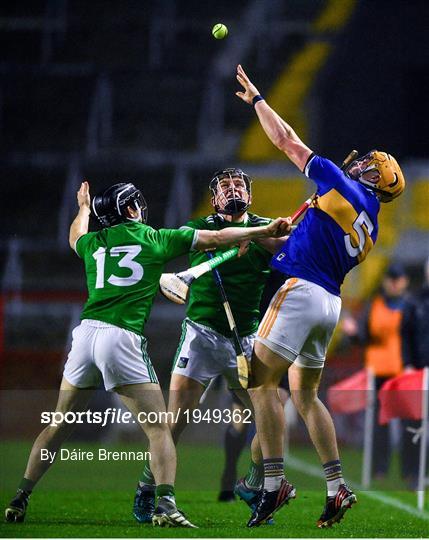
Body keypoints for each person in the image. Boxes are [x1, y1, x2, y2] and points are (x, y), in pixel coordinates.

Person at [4, 180, 291, 527]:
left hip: (84, 337)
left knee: (59, 424)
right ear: (130, 209)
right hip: (121, 339)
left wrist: (82, 208)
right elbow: (214, 239)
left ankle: (21, 496)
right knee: (159, 429)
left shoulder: (94, 242)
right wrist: (261, 230)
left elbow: (74, 237)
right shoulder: (154, 238)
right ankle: (165, 504)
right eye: (136, 203)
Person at [235, 63, 405, 528]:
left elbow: (286, 140)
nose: (363, 162)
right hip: (329, 304)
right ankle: (336, 488)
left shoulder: (339, 180)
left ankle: (272, 485)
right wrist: (263, 238)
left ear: (373, 176)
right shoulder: (368, 227)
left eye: (372, 164)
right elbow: (301, 245)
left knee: (259, 382)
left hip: (301, 292)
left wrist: (257, 101)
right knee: (305, 397)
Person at [132, 168, 291, 523]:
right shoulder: (198, 226)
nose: (232, 189)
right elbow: (207, 240)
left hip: (247, 338)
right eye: (224, 187)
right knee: (176, 422)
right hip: (201, 335)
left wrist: (265, 235)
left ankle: (252, 484)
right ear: (215, 198)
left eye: (238, 185)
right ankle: (148, 489)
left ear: (249, 196)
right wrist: (248, 235)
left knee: (272, 418)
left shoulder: (268, 228)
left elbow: (287, 247)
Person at [342, 263, 409, 479]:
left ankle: (411, 472)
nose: (394, 283)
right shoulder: (374, 306)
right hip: (378, 372)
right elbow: (362, 337)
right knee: (380, 424)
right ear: (385, 281)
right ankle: (379, 469)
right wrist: (352, 334)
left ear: (405, 281)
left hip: (405, 373)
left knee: (411, 423)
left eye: (398, 279)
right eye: (391, 278)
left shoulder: (411, 306)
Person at [401, 255, 429, 487]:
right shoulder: (414, 301)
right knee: (414, 424)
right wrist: (408, 364)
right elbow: (405, 335)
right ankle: (412, 473)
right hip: (418, 371)